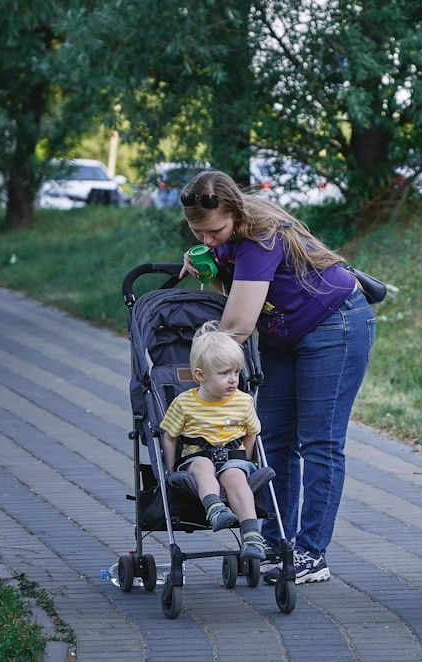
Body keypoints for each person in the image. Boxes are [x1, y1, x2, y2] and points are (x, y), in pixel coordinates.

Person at [178, 170, 375, 585]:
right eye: (198, 233)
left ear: (233, 212)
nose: (207, 239)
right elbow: (231, 293)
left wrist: (202, 375)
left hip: (334, 325)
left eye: (215, 231)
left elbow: (236, 325)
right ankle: (276, 539)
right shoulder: (227, 239)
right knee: (274, 438)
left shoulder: (260, 236)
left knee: (320, 442)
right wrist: (210, 263)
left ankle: (311, 552)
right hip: (285, 335)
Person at [160, 321, 266, 559]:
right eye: (224, 373)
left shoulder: (243, 401)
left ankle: (251, 537)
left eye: (237, 372)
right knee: (202, 465)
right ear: (201, 375)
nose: (233, 379)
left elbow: (251, 432)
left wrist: (244, 461)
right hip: (197, 457)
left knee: (237, 478)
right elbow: (170, 436)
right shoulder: (184, 403)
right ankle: (215, 509)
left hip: (233, 457)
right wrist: (168, 468)